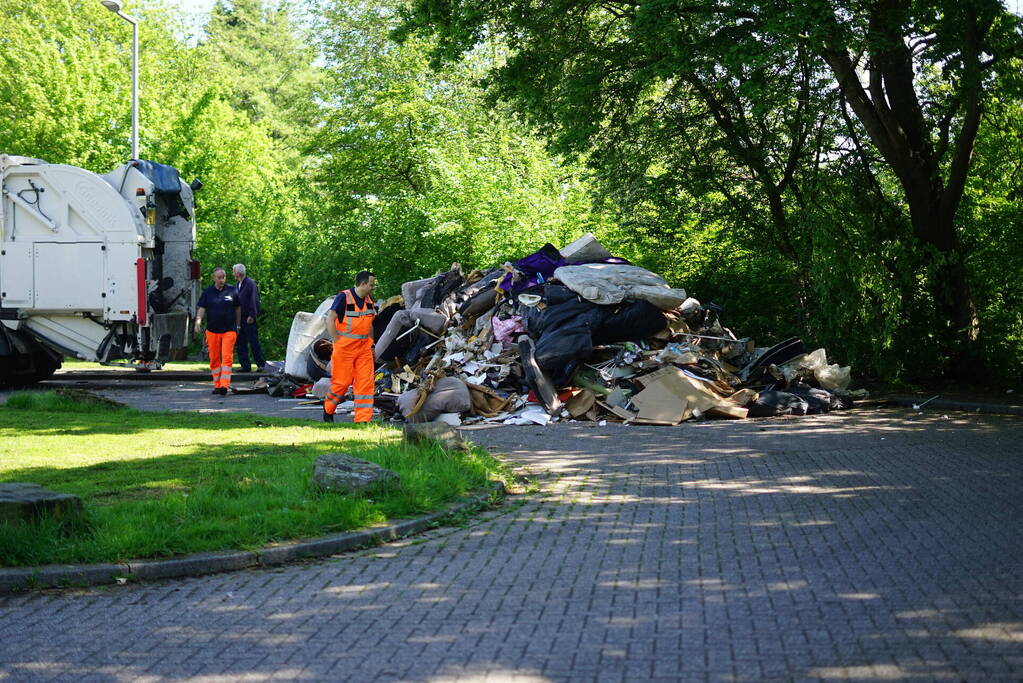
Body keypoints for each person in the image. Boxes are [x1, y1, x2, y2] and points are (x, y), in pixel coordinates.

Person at [323, 270, 377, 423]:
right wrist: (336, 341)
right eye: (371, 285)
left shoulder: (369, 300)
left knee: (365, 384)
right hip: (345, 349)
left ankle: (363, 420)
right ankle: (328, 409)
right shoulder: (344, 297)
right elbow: (330, 319)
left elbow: (370, 323)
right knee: (342, 382)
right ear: (362, 284)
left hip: (364, 349)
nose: (373, 288)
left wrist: (371, 344)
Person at [194, 267, 241, 396]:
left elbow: (237, 308)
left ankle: (224, 385)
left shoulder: (232, 290)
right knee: (214, 359)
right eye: (219, 277)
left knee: (227, 358)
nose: (222, 280)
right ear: (213, 278)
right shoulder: (208, 292)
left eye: (224, 277)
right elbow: (202, 309)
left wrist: (238, 325)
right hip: (212, 331)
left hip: (229, 330)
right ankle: (217, 385)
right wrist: (198, 322)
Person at [232, 263, 266, 373]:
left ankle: (260, 364)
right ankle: (245, 365)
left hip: (248, 317)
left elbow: (254, 299)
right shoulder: (236, 285)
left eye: (233, 271)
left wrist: (252, 315)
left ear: (237, 272)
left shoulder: (250, 283)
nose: (233, 273)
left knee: (253, 341)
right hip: (238, 318)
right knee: (240, 342)